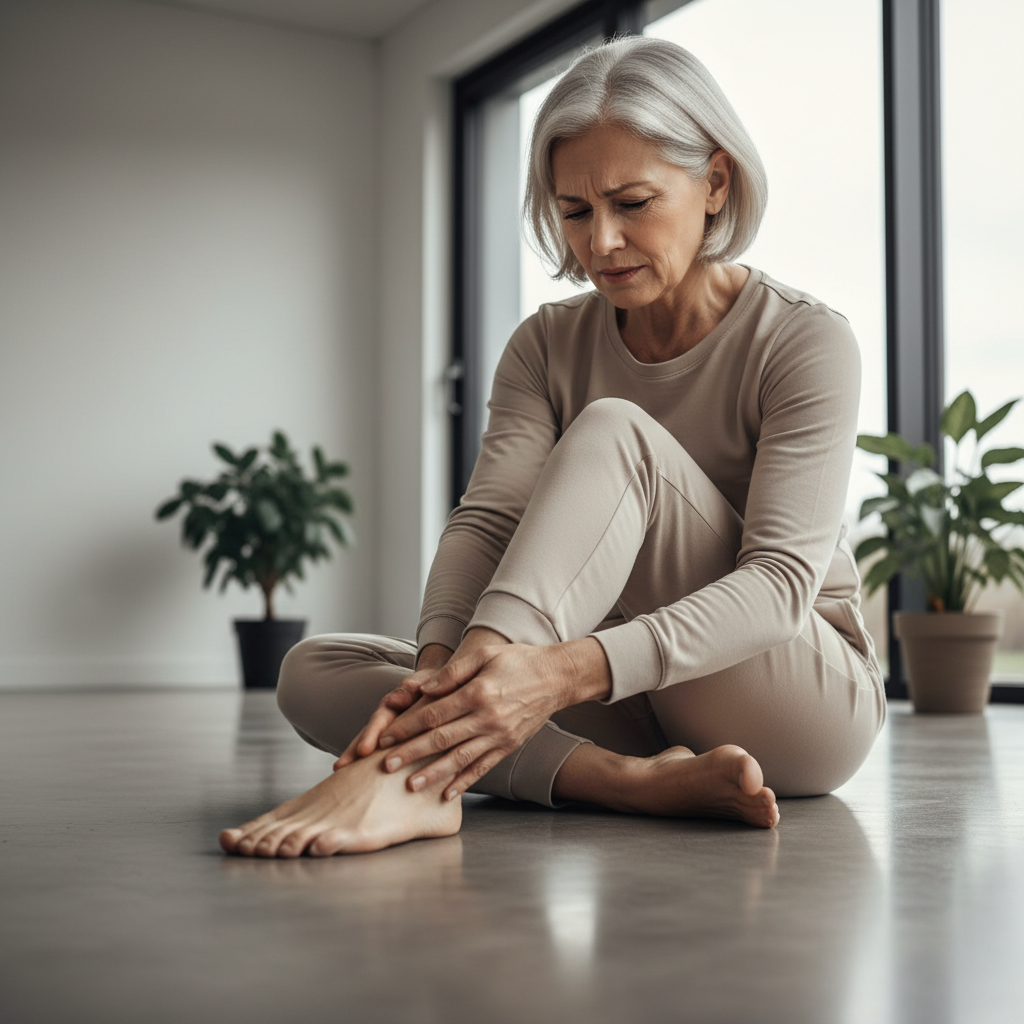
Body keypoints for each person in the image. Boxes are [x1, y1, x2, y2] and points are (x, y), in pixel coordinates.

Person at [220, 36, 885, 859]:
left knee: (613, 432)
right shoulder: (544, 344)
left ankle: (414, 777)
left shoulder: (805, 340)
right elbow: (488, 521)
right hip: (626, 695)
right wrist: (436, 682)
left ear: (715, 183)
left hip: (791, 695)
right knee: (313, 669)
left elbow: (781, 585)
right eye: (575, 211)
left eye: (633, 202)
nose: (599, 241)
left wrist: (557, 676)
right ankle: (621, 780)